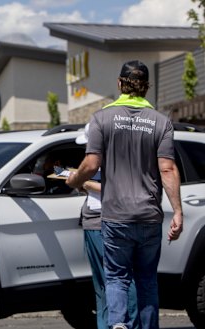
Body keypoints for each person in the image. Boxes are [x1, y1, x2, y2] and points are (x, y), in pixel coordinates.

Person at [66, 60, 183, 329]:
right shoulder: (161, 122)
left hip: (116, 216)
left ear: (120, 84)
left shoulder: (101, 118)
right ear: (146, 87)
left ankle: (118, 324)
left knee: (117, 277)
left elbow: (92, 164)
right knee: (146, 279)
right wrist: (177, 211)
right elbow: (167, 168)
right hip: (149, 216)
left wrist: (75, 180)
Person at [76, 124, 138, 329]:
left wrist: (83, 181)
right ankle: (107, 325)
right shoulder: (100, 161)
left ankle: (126, 323)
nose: (87, 149)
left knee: (118, 280)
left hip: (107, 223)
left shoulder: (117, 159)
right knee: (102, 284)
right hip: (93, 222)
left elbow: (115, 189)